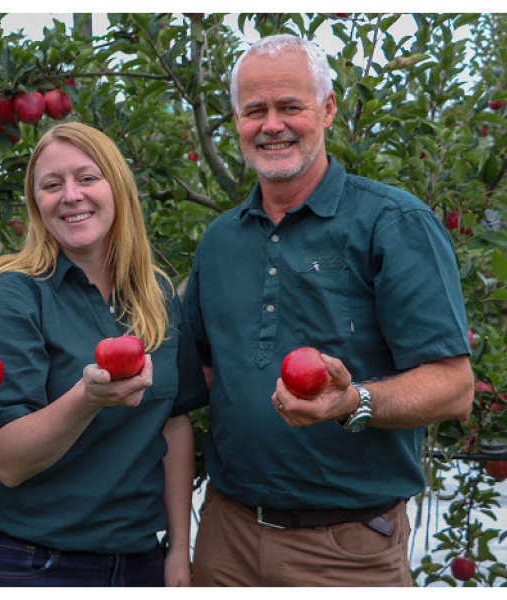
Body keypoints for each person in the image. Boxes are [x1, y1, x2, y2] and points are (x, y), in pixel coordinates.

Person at [183, 34, 474, 587]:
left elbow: (454, 387)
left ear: (328, 109)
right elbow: (206, 369)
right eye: (255, 111)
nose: (272, 125)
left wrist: (354, 401)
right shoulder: (220, 240)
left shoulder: (392, 223)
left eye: (290, 106)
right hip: (226, 535)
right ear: (237, 120)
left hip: (346, 550)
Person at [0, 122, 207, 587]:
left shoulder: (155, 294)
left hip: (138, 561)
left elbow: (174, 424)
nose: (71, 195)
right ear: (37, 204)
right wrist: (87, 398)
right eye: (52, 185)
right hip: (30, 563)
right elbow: (9, 463)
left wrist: (177, 549)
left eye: (87, 178)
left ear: (117, 186)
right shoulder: (14, 295)